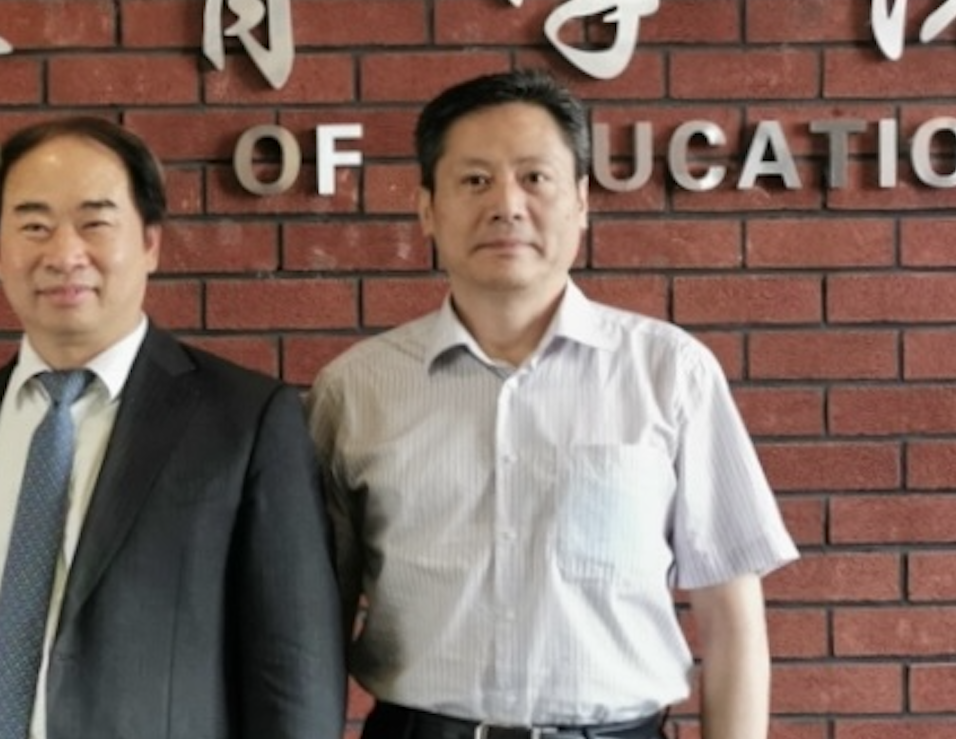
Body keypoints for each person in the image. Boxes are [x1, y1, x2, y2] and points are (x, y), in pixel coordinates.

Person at [308, 69, 797, 739]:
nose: (507, 205)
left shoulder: (669, 373)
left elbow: (732, 621)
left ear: (582, 202)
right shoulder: (354, 390)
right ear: (427, 209)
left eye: (535, 177)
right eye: (474, 180)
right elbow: (312, 623)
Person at [0, 117, 345, 739]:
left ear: (150, 242)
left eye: (95, 223)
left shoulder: (246, 424)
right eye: (34, 226)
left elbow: (295, 675)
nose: (64, 254)